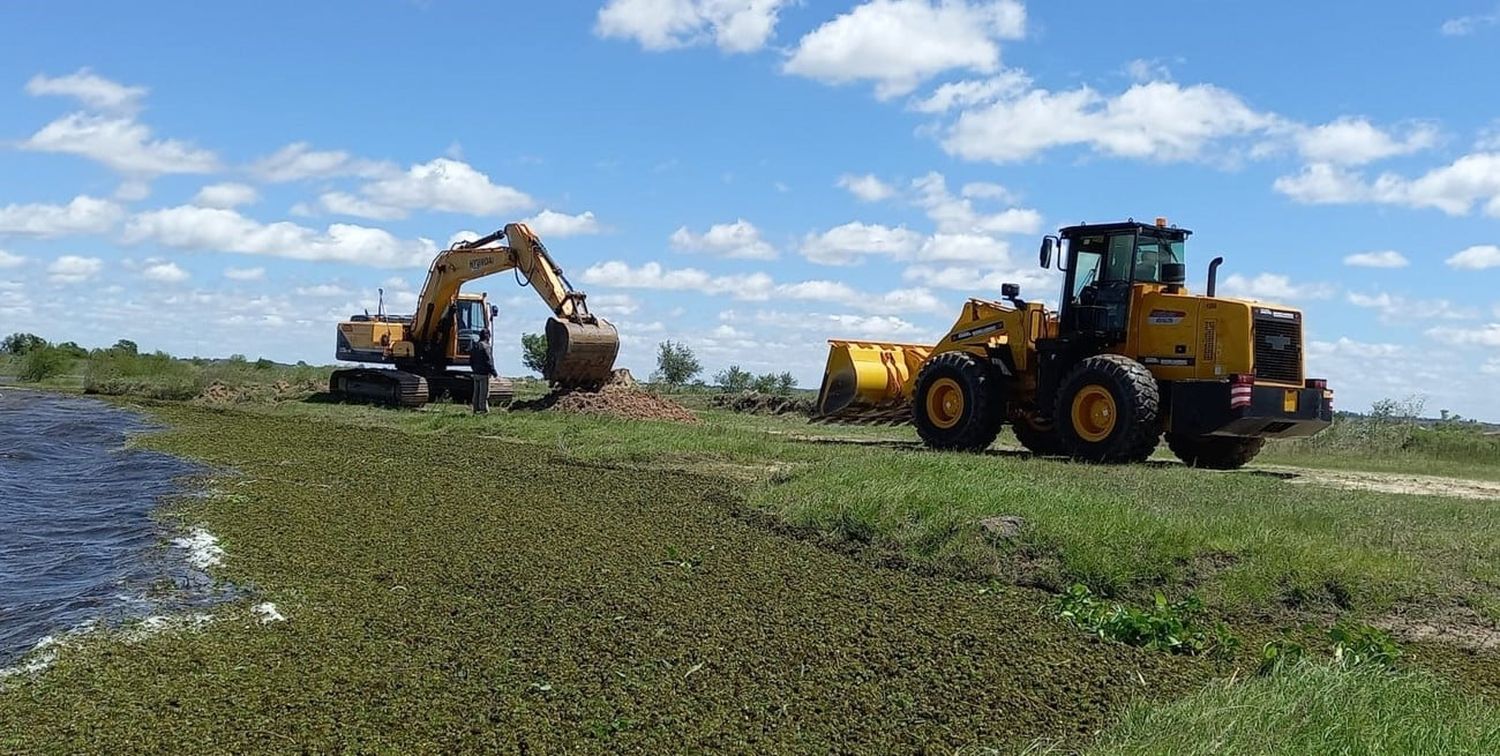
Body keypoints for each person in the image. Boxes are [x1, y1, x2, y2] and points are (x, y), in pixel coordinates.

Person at [469, 329, 498, 414]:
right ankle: (483, 410)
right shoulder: (486, 346)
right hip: (484, 374)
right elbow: (488, 361)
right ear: (487, 336)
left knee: (476, 393)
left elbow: (471, 360)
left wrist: (474, 369)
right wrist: (494, 373)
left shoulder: (475, 345)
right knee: (483, 393)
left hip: (476, 373)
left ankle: (475, 409)